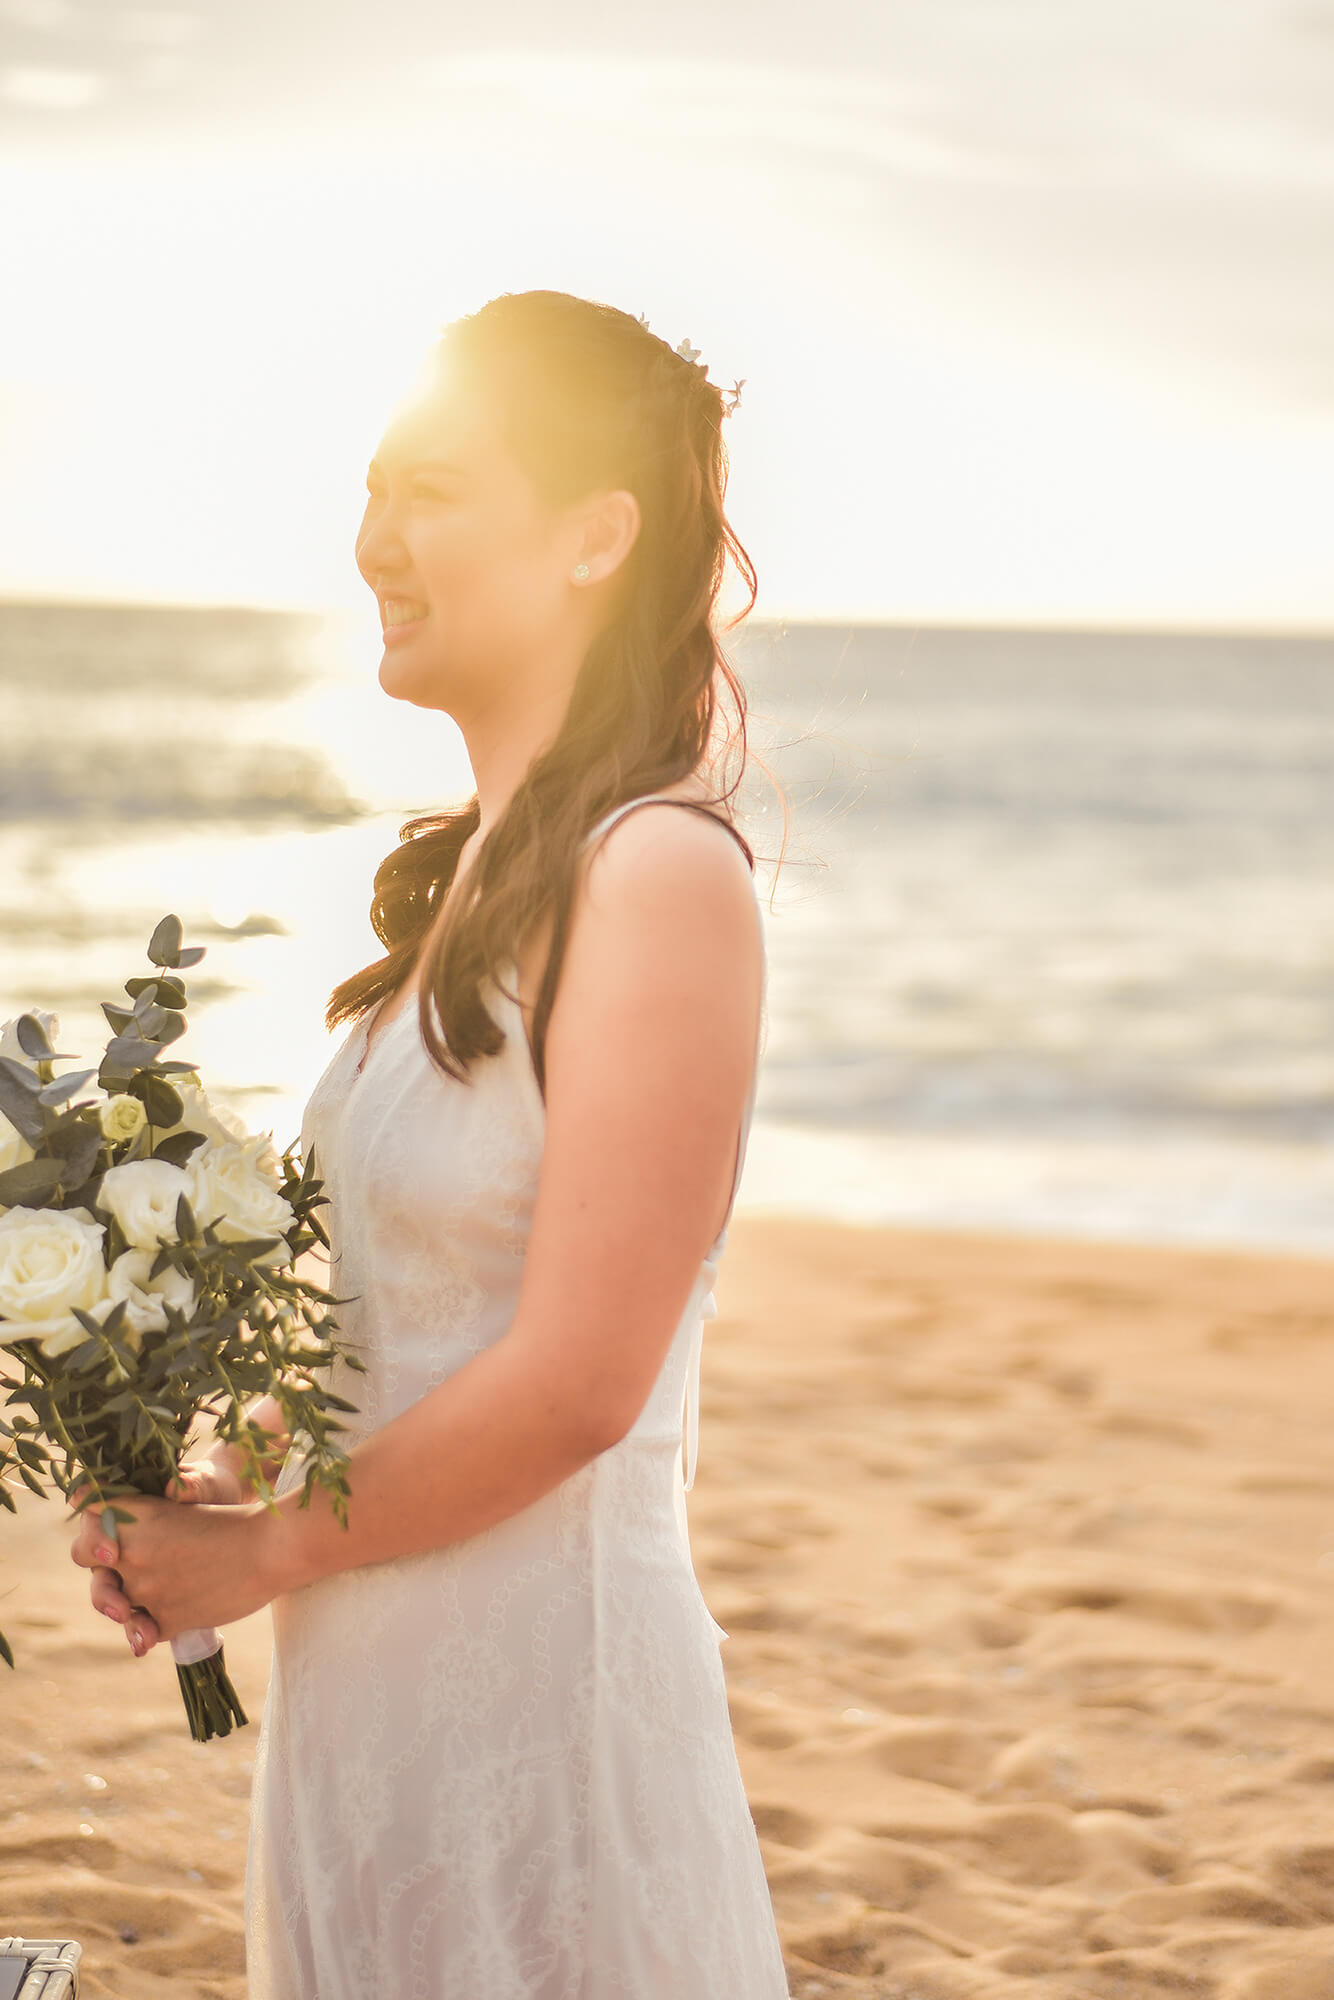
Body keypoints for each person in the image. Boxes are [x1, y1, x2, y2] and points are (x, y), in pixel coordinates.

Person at [68, 288, 790, 1997]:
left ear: (593, 536)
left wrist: (259, 1552)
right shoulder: (468, 883)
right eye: (372, 491)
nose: (375, 540)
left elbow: (573, 1382)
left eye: (435, 492)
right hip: (367, 1713)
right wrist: (208, 1490)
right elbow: (401, 1333)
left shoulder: (658, 877)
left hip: (545, 1719)